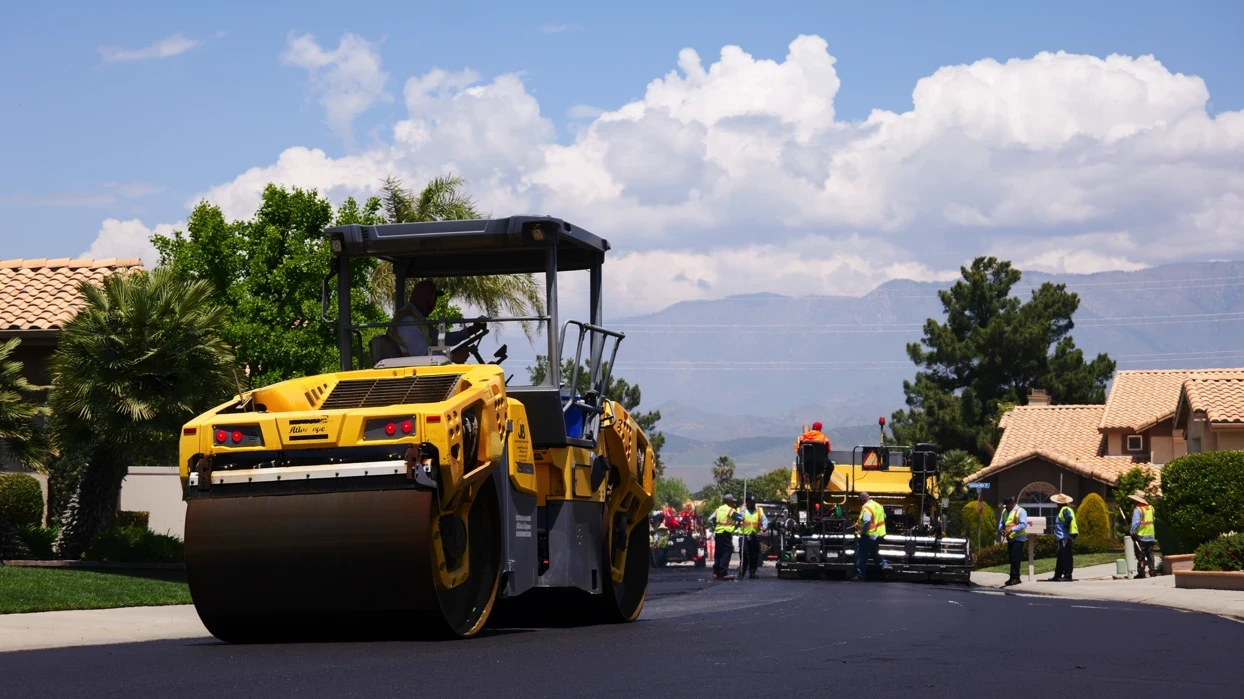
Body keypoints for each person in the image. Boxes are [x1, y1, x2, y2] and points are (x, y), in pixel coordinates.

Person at [390, 280, 485, 363]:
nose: (434, 305)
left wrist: (470, 331)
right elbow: (423, 355)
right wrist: (453, 357)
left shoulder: (418, 320)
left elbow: (443, 339)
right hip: (409, 373)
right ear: (430, 298)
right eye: (435, 299)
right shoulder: (408, 321)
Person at [852, 492, 893, 581]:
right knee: (874, 552)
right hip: (878, 534)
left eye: (861, 500)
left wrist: (862, 530)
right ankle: (885, 566)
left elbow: (867, 521)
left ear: (863, 499)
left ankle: (860, 575)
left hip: (869, 535)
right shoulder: (878, 505)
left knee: (862, 555)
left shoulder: (866, 507)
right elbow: (884, 516)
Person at [708, 494, 743, 580]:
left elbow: (710, 519)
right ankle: (723, 572)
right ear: (729, 502)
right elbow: (741, 518)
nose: (734, 503)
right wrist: (736, 525)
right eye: (733, 502)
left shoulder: (718, 509)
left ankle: (716, 572)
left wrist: (714, 528)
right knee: (727, 552)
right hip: (726, 533)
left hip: (718, 533)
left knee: (718, 553)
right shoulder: (730, 510)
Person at [738, 494, 769, 580]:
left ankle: (752, 572)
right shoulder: (741, 510)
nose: (752, 504)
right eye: (751, 502)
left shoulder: (758, 510)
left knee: (754, 555)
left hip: (754, 535)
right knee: (744, 554)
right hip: (744, 535)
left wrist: (765, 526)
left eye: (754, 502)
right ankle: (742, 572)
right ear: (747, 503)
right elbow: (737, 519)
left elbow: (765, 520)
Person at [998, 497, 1028, 586]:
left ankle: (1016, 578)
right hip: (1010, 538)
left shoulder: (1021, 511)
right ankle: (1012, 577)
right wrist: (1001, 529)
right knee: (1011, 558)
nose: (1006, 507)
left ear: (1012, 504)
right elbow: (1002, 522)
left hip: (1018, 538)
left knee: (1015, 558)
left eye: (1007, 505)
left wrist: (1012, 530)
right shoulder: (1005, 511)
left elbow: (1023, 524)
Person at [1129, 491, 1159, 578]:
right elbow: (1153, 520)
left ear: (1137, 500)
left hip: (1141, 536)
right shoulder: (1151, 508)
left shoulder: (1138, 510)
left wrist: (1132, 532)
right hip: (1151, 535)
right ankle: (1152, 571)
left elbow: (1136, 523)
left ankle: (1141, 573)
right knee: (1150, 554)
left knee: (1140, 555)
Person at [1049, 493, 1077, 582]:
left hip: (1065, 536)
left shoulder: (1065, 509)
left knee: (1066, 556)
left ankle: (1068, 575)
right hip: (1062, 537)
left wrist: (1066, 526)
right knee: (1061, 556)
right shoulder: (1063, 510)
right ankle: (1058, 574)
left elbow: (1069, 518)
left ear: (1059, 503)